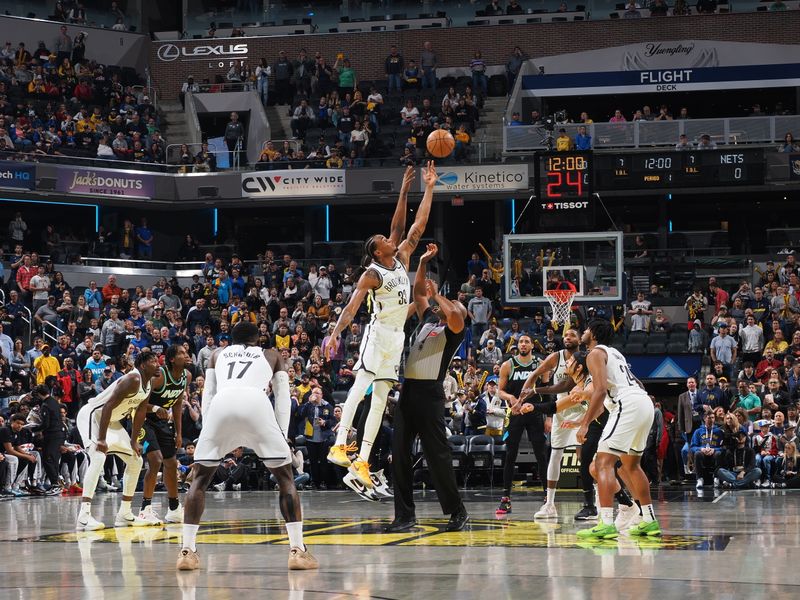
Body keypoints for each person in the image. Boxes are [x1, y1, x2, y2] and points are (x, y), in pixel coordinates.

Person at [323, 164, 436, 490]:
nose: (390, 238)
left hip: (397, 336)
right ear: (376, 250)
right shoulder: (371, 273)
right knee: (360, 387)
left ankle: (362, 462)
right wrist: (334, 334)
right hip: (378, 333)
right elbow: (351, 307)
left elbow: (413, 224)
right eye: (383, 239)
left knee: (381, 398)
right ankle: (340, 443)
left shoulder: (401, 257)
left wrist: (423, 188)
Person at [177, 322, 318, 571]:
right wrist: (282, 435)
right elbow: (283, 397)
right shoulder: (271, 354)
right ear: (257, 339)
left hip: (222, 405)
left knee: (199, 479)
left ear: (231, 339)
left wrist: (208, 430)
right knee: (285, 477)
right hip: (256, 404)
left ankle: (187, 551)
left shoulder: (217, 355)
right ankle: (297, 550)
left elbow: (207, 394)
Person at [385, 244, 469, 532]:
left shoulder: (453, 331)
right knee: (399, 455)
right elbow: (419, 293)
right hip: (407, 393)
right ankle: (405, 515)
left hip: (431, 394)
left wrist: (440, 296)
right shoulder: (428, 320)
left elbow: (455, 315)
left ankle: (457, 511)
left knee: (438, 456)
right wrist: (421, 262)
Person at [575, 320, 660, 538]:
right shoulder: (616, 354)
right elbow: (638, 384)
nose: (582, 333)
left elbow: (600, 390)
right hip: (643, 402)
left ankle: (606, 523)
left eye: (585, 330)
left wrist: (584, 424)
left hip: (627, 404)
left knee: (602, 463)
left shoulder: (594, 353)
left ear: (593, 333)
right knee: (632, 465)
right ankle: (649, 520)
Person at [75, 351, 161, 531]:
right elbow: (106, 407)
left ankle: (125, 514)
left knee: (136, 461)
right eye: (154, 361)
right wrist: (101, 438)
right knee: (99, 457)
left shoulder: (148, 383)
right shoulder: (133, 379)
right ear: (143, 365)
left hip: (111, 421)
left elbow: (140, 413)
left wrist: (134, 441)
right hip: (93, 416)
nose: (158, 364)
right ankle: (83, 517)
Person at [516, 329, 587, 519]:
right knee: (555, 454)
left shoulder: (585, 358)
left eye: (572, 335)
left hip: (582, 408)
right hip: (560, 408)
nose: (568, 338)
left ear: (579, 339)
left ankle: (593, 501)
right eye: (565, 336)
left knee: (583, 456)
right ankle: (549, 504)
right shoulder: (557, 357)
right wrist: (522, 396)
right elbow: (535, 373)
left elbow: (564, 386)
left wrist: (535, 391)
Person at [137, 344, 192, 525]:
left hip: (162, 422)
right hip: (143, 420)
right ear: (171, 359)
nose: (186, 355)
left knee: (171, 462)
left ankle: (174, 508)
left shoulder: (186, 376)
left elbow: (177, 405)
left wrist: (178, 433)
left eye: (186, 352)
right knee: (155, 459)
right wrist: (155, 408)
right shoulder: (159, 377)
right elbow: (137, 404)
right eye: (182, 353)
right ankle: (145, 508)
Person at [493, 334, 546, 515]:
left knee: (541, 454)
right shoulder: (508, 365)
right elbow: (500, 391)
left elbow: (547, 391)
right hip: (515, 413)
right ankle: (506, 498)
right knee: (510, 455)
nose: (523, 344)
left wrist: (549, 417)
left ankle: (548, 496)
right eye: (521, 342)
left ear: (532, 345)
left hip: (535, 412)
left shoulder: (540, 364)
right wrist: (511, 397)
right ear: (517, 345)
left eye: (526, 341)